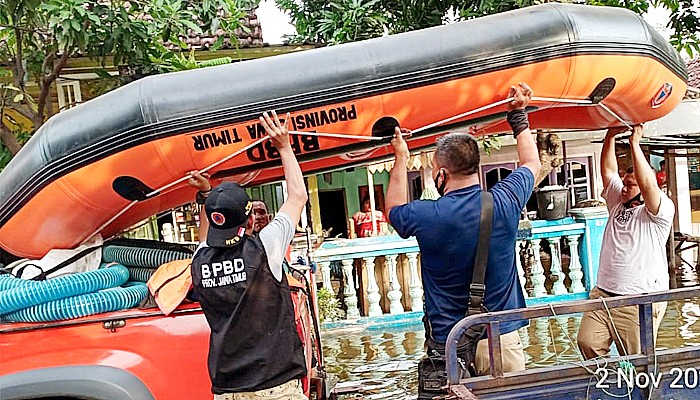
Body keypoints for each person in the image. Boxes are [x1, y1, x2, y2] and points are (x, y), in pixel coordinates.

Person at [385, 83, 541, 378]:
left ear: (442, 174)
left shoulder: (426, 215)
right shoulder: (505, 200)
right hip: (502, 341)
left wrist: (401, 158)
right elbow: (532, 161)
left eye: (433, 169)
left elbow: (392, 209)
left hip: (450, 348)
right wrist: (518, 115)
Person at [187, 110, 309, 400]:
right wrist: (284, 147)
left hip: (228, 391)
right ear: (248, 221)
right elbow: (297, 196)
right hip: (276, 389)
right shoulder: (265, 248)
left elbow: (206, 238)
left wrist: (207, 195)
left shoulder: (200, 261)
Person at [577, 125, 674, 360]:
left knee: (639, 360)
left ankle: (642, 394)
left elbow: (649, 185)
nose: (624, 187)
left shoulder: (658, 210)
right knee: (587, 341)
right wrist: (610, 136)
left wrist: (634, 144)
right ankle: (610, 389)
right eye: (625, 182)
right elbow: (608, 171)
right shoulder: (617, 202)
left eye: (631, 184)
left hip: (638, 301)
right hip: (603, 295)